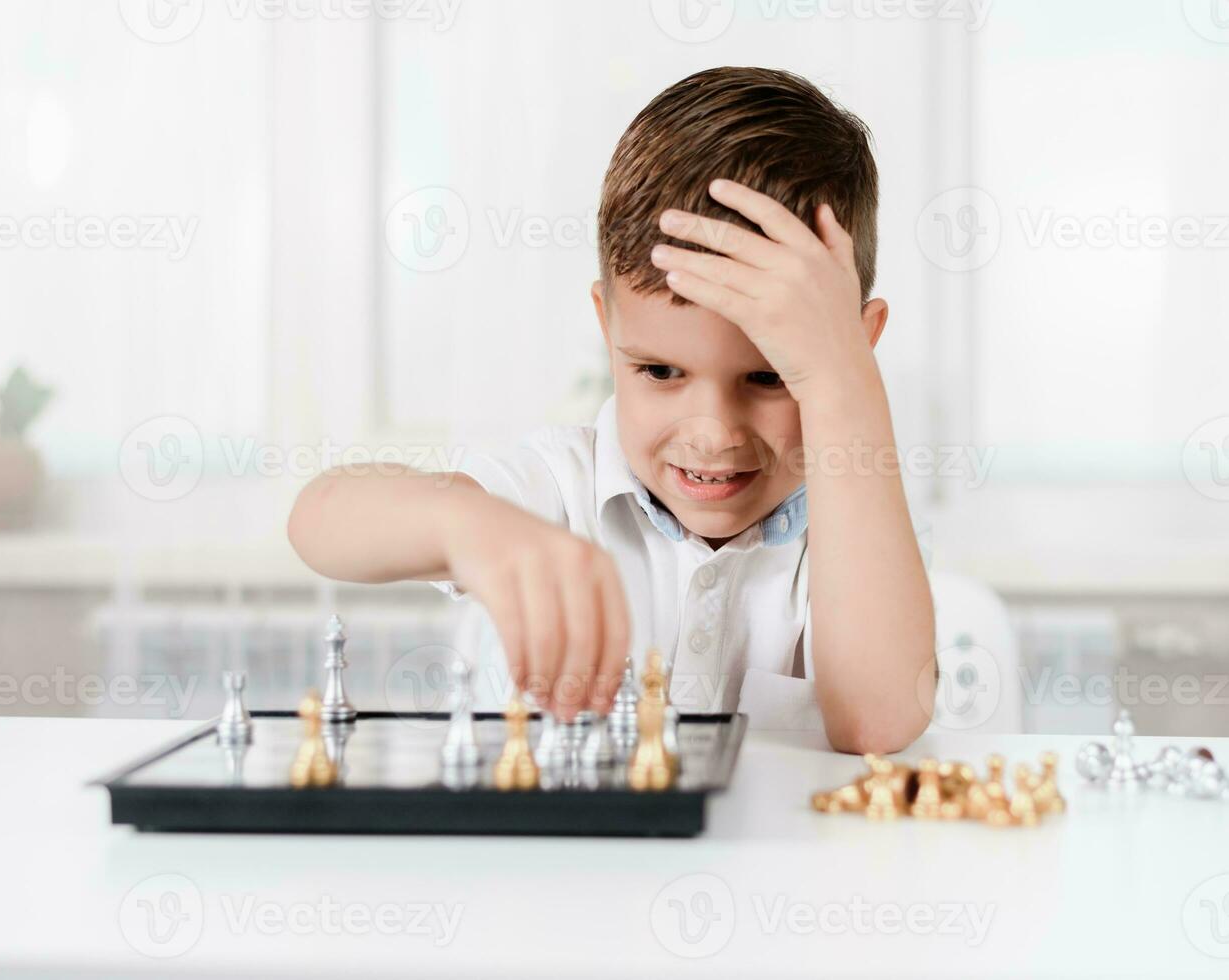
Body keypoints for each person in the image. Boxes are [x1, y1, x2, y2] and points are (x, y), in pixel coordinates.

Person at [289, 67, 935, 754]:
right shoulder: (557, 486)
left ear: (855, 351)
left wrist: (842, 382)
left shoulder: (855, 523)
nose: (713, 434)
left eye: (771, 377)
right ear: (607, 327)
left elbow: (877, 722)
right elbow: (317, 521)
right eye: (660, 371)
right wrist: (460, 521)